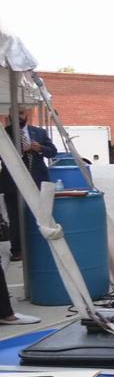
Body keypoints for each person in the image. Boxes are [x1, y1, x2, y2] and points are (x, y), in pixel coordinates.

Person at [0, 108, 58, 263]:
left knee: (40, 214)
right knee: (15, 216)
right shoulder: (4, 134)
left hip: (37, 179)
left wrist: (40, 148)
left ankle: (42, 244)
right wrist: (16, 149)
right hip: (12, 181)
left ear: (27, 115)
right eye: (14, 114)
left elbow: (53, 152)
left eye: (21, 113)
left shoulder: (39, 132)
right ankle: (17, 249)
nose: (18, 117)